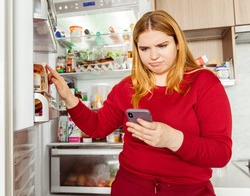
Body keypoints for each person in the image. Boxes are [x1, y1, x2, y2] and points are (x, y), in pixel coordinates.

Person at [47, 10, 232, 196]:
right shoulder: (127, 87)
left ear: (177, 43)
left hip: (188, 191)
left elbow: (221, 153)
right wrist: (68, 97)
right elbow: (97, 127)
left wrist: (172, 139)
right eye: (144, 49)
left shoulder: (204, 82)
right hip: (130, 187)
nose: (153, 56)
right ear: (136, 49)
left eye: (162, 45)